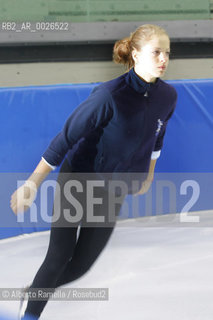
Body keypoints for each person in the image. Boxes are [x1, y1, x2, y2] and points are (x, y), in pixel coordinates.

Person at [10, 24, 177, 319]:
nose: (163, 58)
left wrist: (148, 174)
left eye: (167, 52)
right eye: (156, 52)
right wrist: (31, 185)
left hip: (113, 189)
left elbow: (157, 137)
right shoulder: (108, 95)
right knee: (59, 256)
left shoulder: (168, 97)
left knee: (81, 265)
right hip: (78, 178)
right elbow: (65, 139)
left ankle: (33, 291)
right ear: (135, 55)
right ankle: (31, 313)